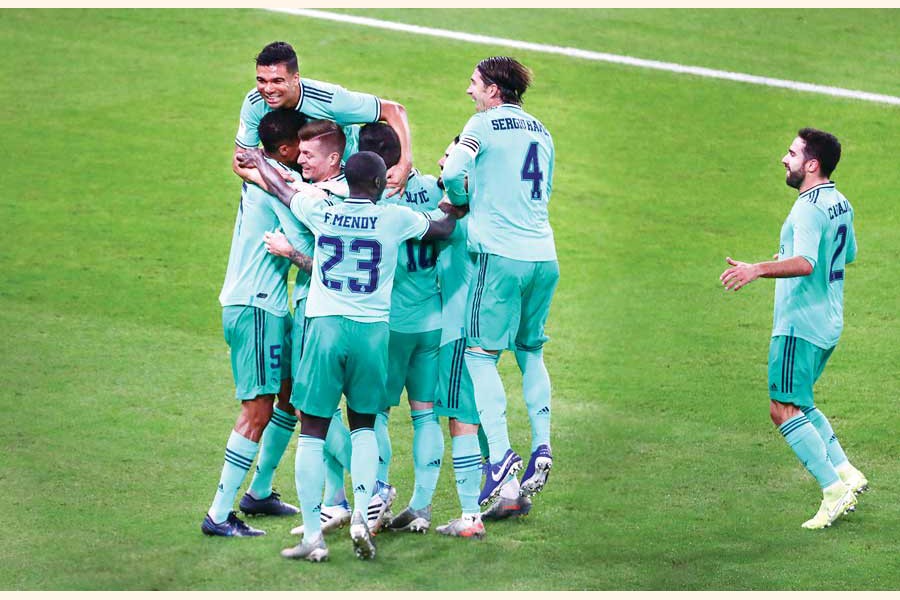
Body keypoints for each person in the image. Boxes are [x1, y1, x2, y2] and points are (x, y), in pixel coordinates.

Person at [236, 148, 456, 562]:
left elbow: (284, 191)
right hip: (372, 333)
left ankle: (314, 538)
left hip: (325, 328)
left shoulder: (323, 210)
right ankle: (361, 516)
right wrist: (455, 201)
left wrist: (258, 160)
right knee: (365, 427)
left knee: (313, 432)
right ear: (377, 184)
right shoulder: (394, 217)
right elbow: (441, 229)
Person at [719, 127, 867, 530]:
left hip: (799, 324)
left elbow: (806, 263)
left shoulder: (806, 208)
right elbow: (846, 253)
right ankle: (847, 472)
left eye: (792, 153)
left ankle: (833, 491)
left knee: (782, 408)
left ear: (812, 164)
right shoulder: (840, 201)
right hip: (828, 321)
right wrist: (787, 254)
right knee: (800, 401)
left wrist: (758, 268)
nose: (785, 159)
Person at [441, 57, 559, 508]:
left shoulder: (483, 123)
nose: (469, 91)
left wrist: (462, 199)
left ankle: (501, 456)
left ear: (493, 90)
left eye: (474, 84)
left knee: (479, 354)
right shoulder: (543, 131)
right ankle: (542, 446)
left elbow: (452, 171)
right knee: (531, 351)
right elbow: (543, 191)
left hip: (501, 257)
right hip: (544, 256)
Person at [201, 109, 310, 537]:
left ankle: (260, 492)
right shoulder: (274, 191)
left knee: (287, 395)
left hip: (260, 305)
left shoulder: (266, 178)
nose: (308, 152)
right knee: (258, 407)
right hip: (257, 307)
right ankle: (219, 513)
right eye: (303, 143)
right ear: (285, 150)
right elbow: (303, 242)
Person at [350, 123, 446, 534]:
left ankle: (378, 502)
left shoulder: (372, 204)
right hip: (434, 321)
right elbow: (450, 223)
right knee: (426, 415)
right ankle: (421, 509)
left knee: (377, 417)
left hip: (390, 326)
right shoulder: (429, 187)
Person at [233, 41, 412, 196]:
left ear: (295, 78)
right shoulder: (254, 102)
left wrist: (405, 163)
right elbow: (240, 159)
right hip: (300, 180)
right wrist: (271, 182)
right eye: (261, 80)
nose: (268, 89)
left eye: (277, 81)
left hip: (344, 181)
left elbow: (394, 110)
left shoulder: (332, 100)